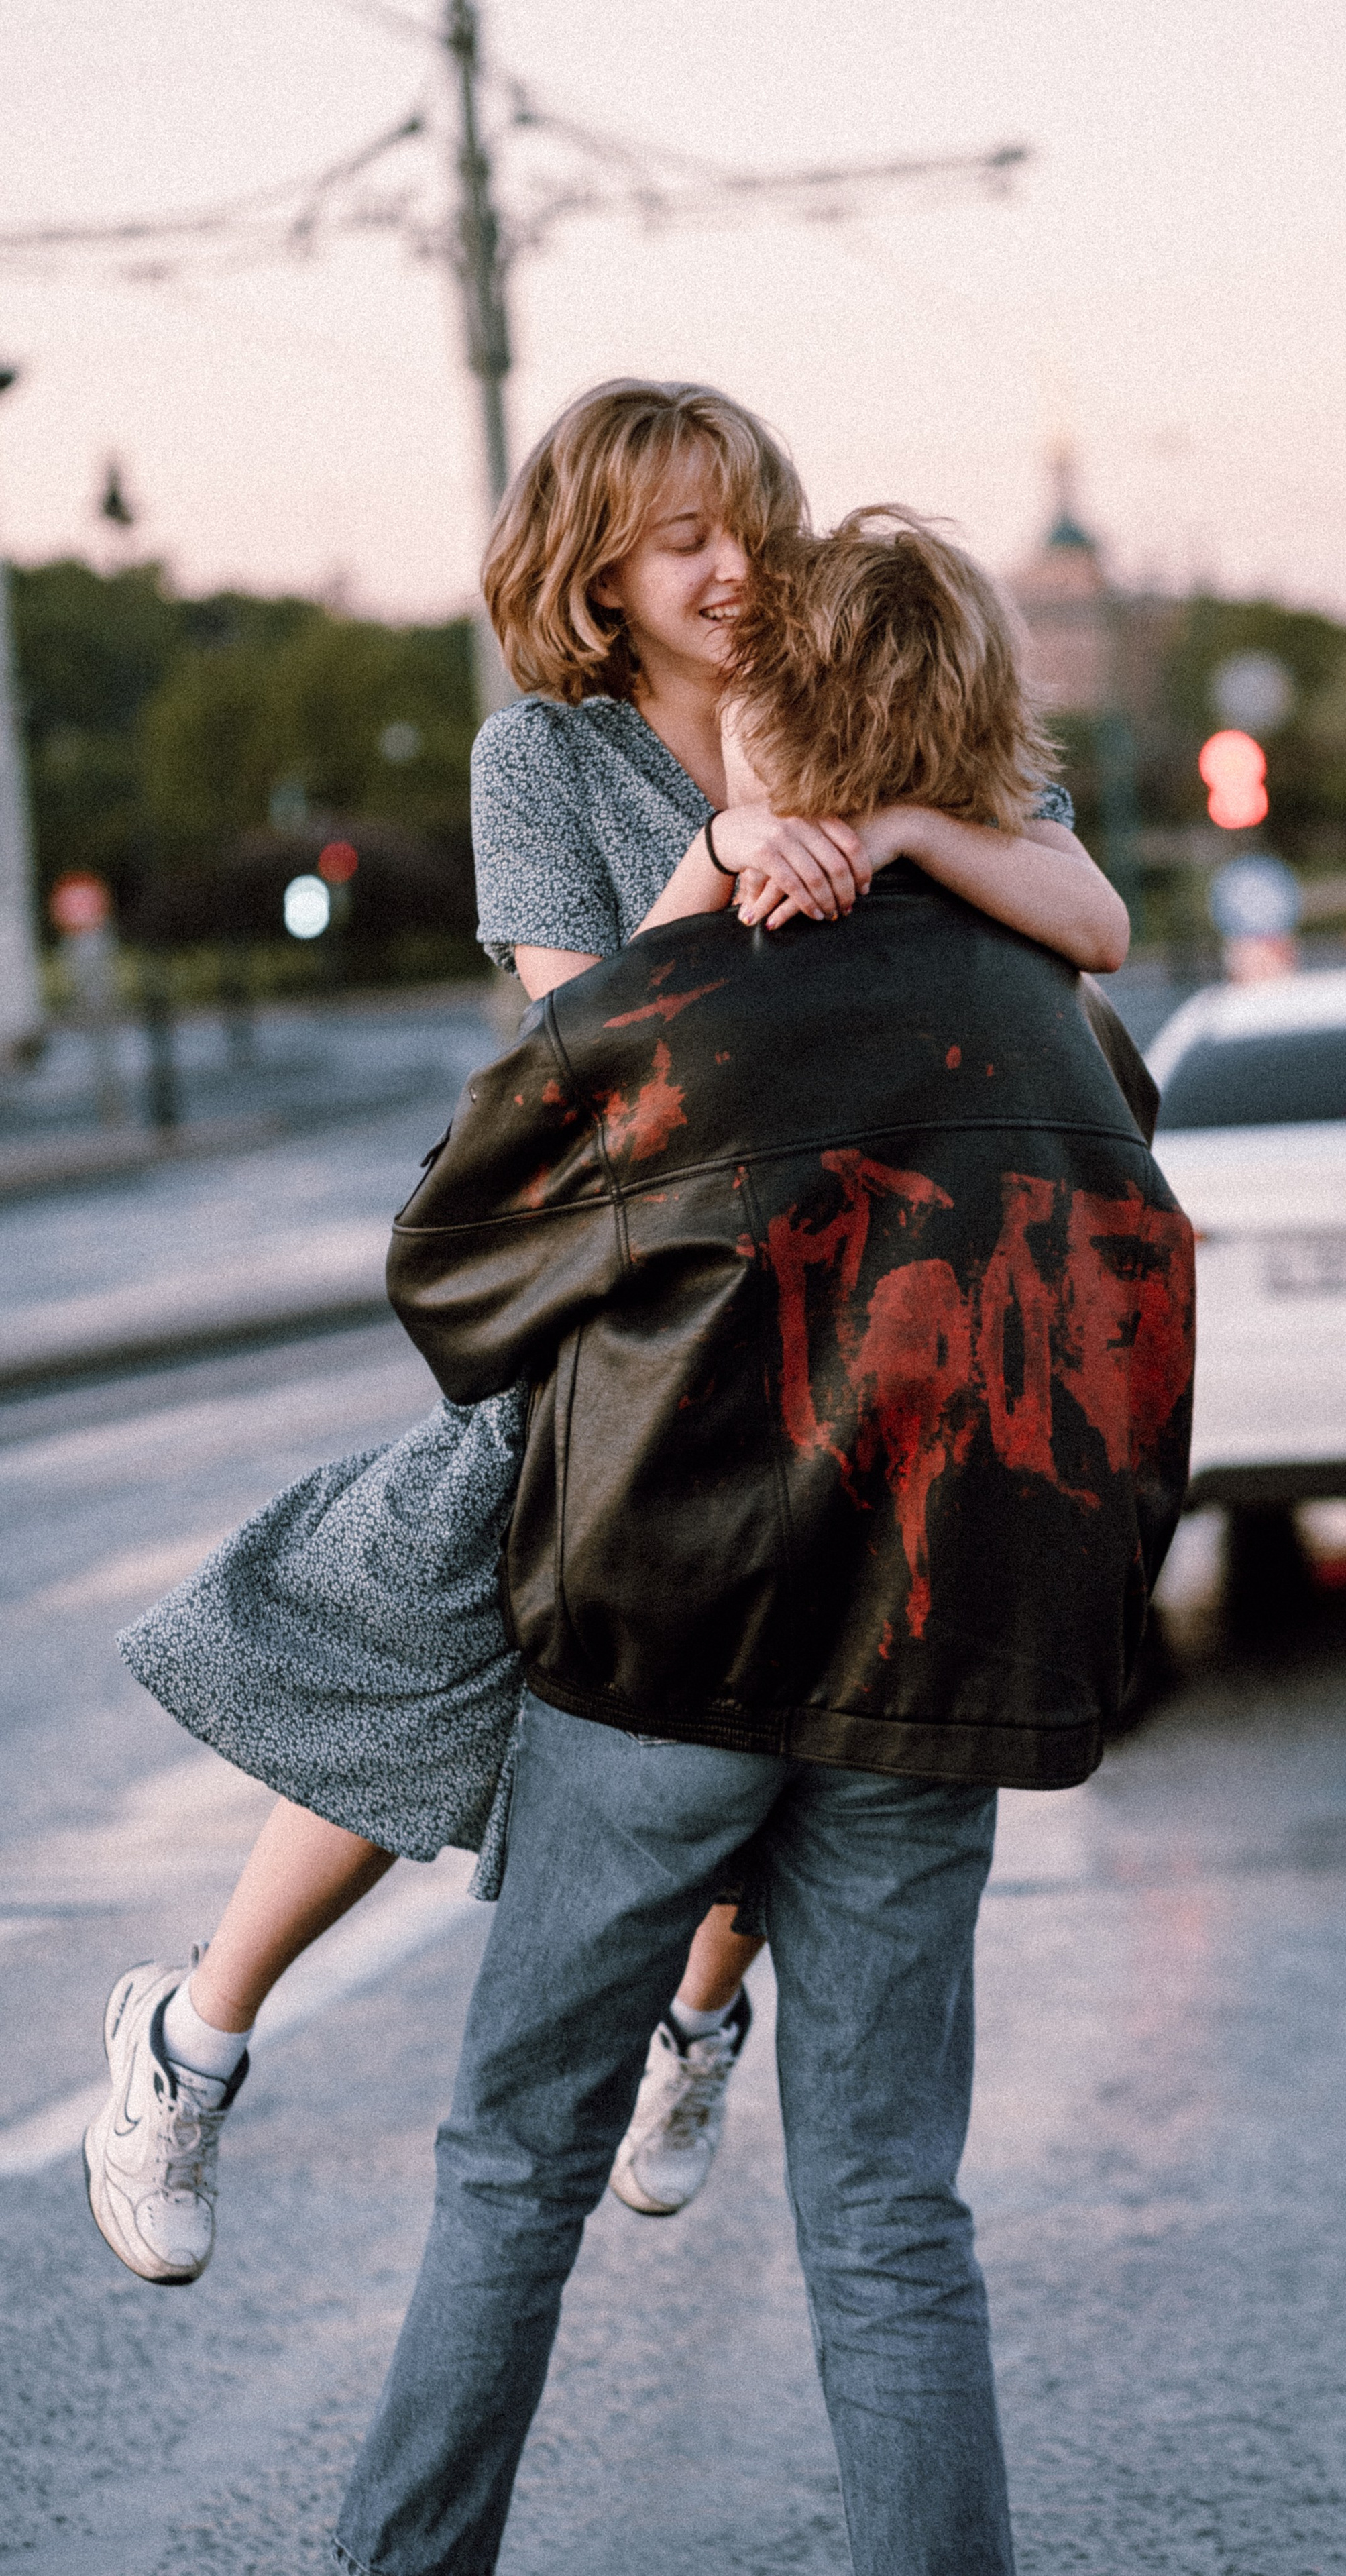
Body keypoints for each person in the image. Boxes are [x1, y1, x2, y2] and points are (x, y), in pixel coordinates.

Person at [84, 380, 1131, 2290]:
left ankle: (699, 2013)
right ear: (597, 574)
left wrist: (887, 815)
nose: (731, 568)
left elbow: (1089, 913)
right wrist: (727, 859)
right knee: (429, 1608)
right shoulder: (543, 762)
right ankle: (193, 2036)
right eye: (679, 540)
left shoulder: (866, 687)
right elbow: (593, 1049)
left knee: (800, 1663)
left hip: (863, 1286)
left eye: (747, 524)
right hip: (641, 1273)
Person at [331, 506, 1194, 2575]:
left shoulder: (688, 1008)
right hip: (931, 1679)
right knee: (895, 2217)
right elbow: (1136, 1378)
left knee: (517, 2162)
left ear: (776, 716)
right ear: (986, 725)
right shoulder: (1074, 1038)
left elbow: (453, 1275)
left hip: (662, 1657)